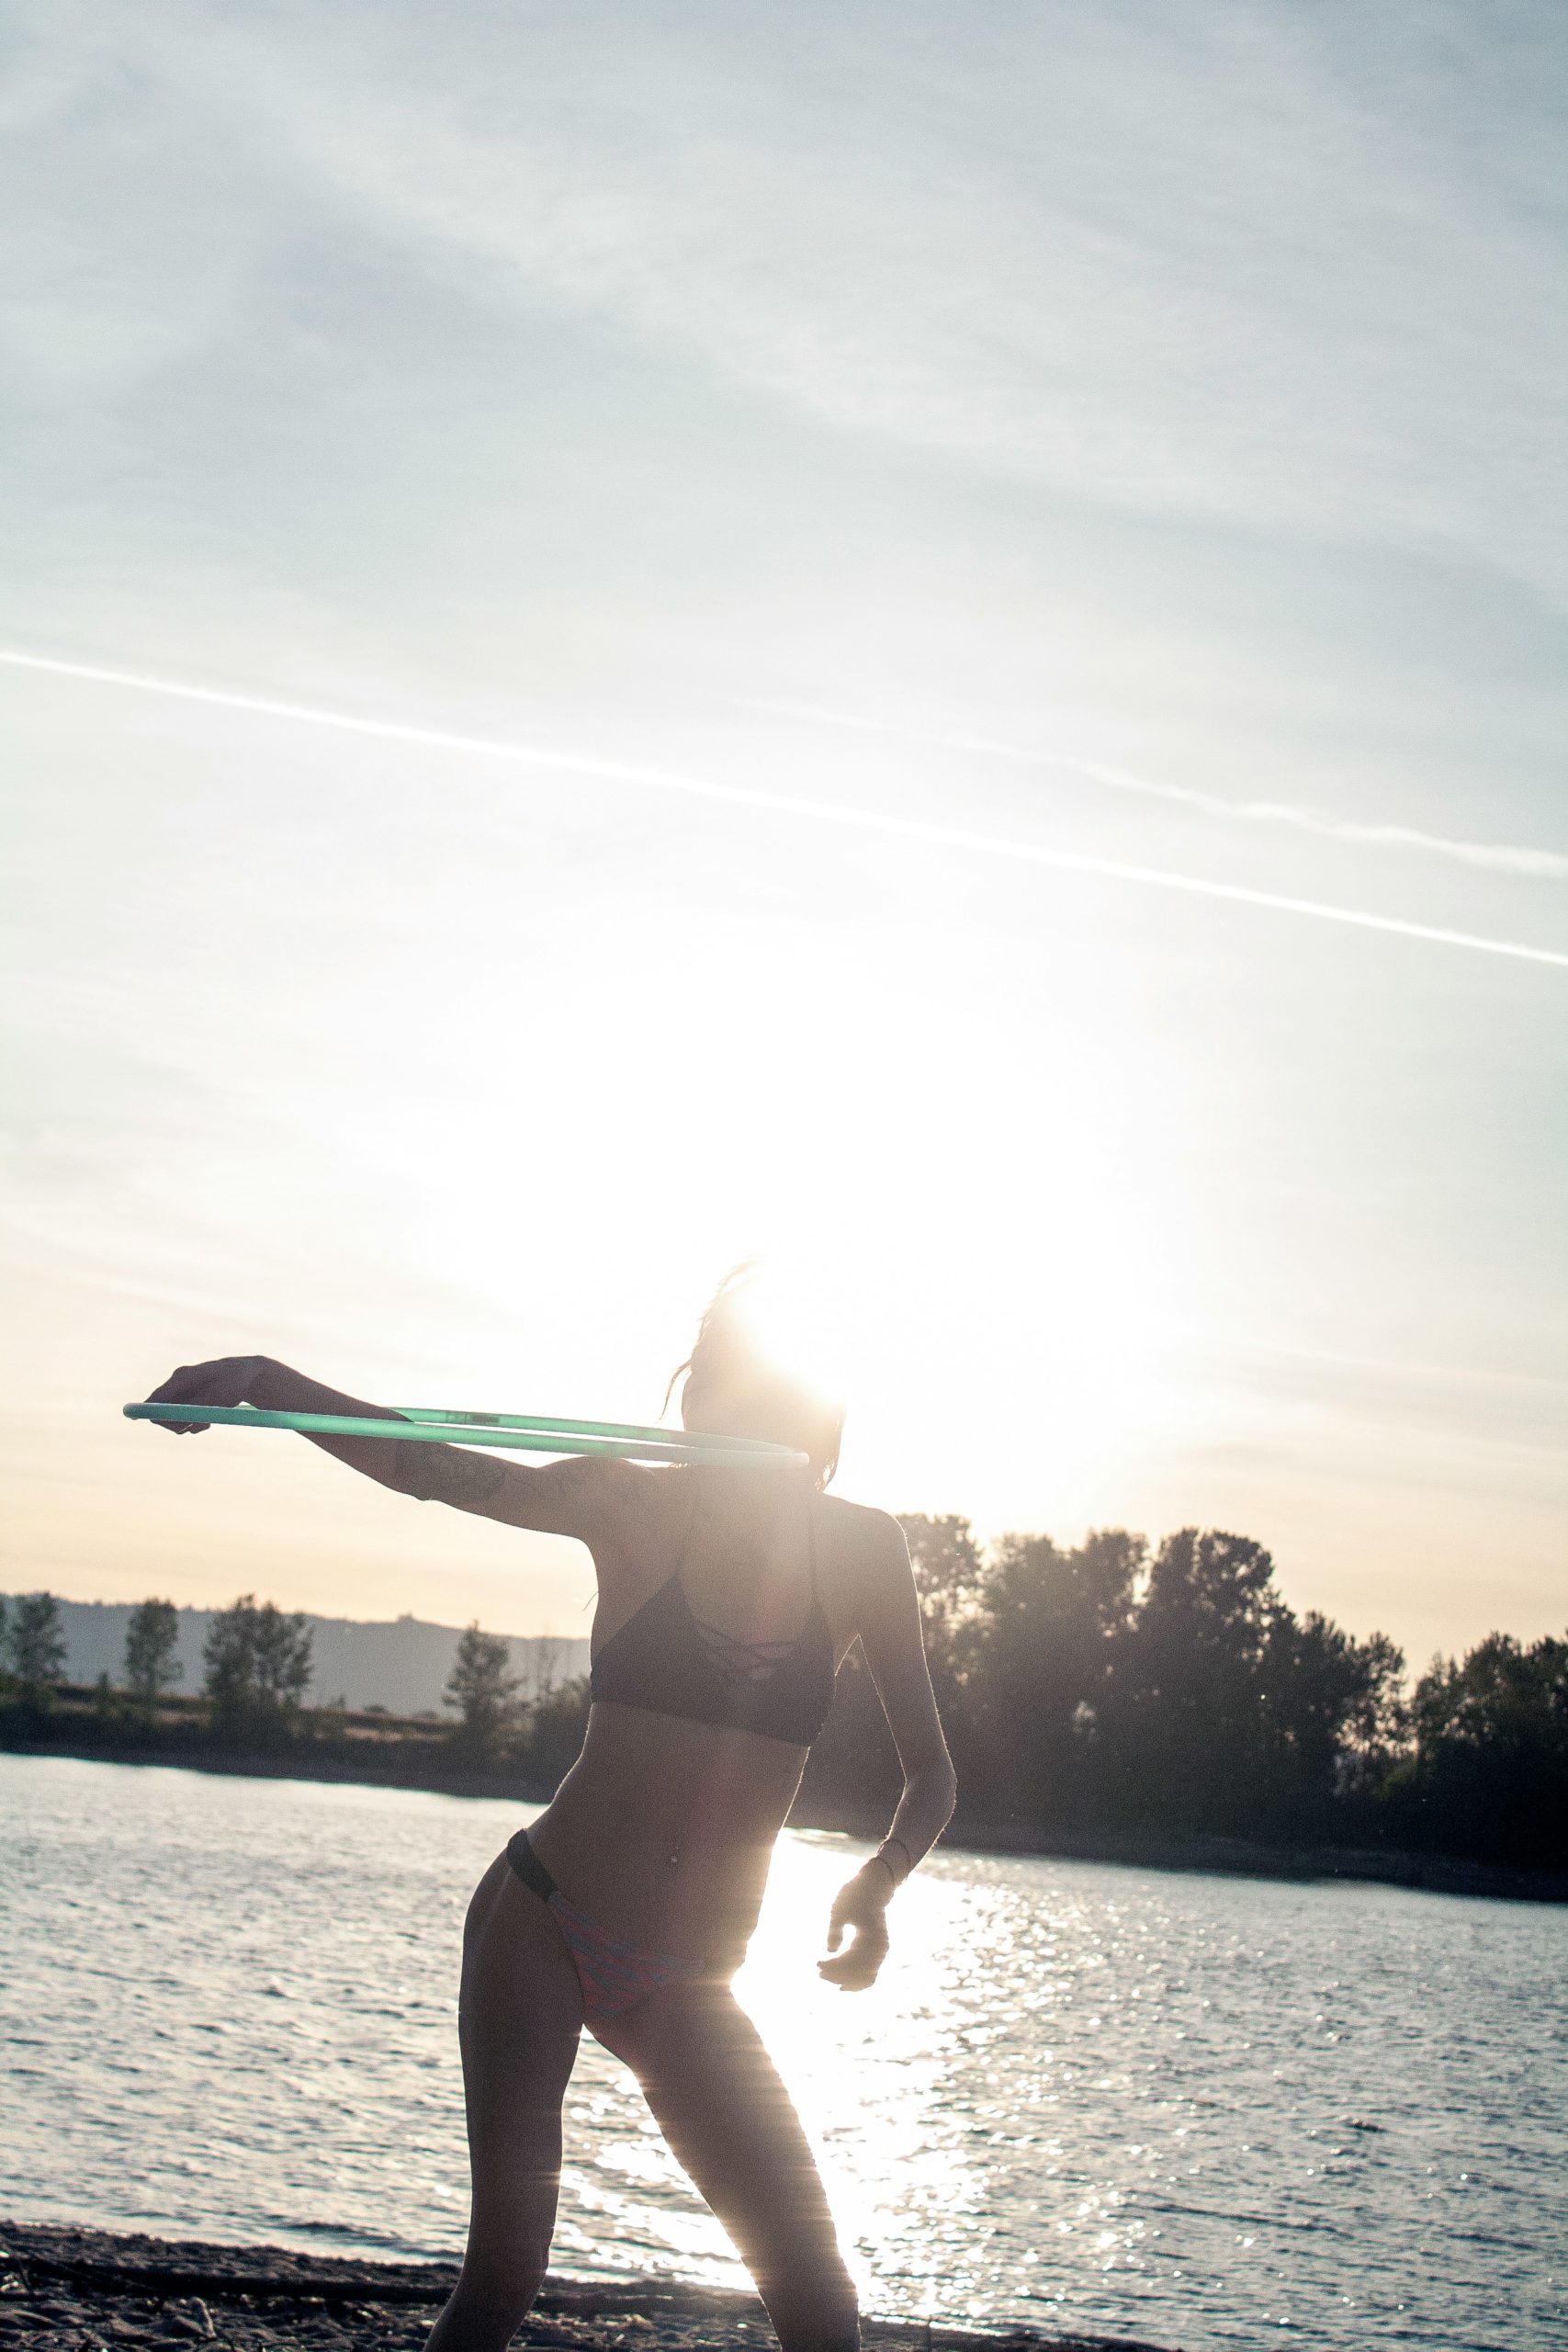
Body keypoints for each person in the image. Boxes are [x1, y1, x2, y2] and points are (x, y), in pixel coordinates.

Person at [144, 1271, 957, 2352]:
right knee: (505, 2276)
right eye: (725, 1388)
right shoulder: (633, 1505)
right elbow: (426, 1468)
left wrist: (877, 1883)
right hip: (547, 1920)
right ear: (707, 1401)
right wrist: (263, 1380)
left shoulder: (862, 1550)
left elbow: (931, 1772)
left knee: (820, 2305)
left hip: (689, 1982)